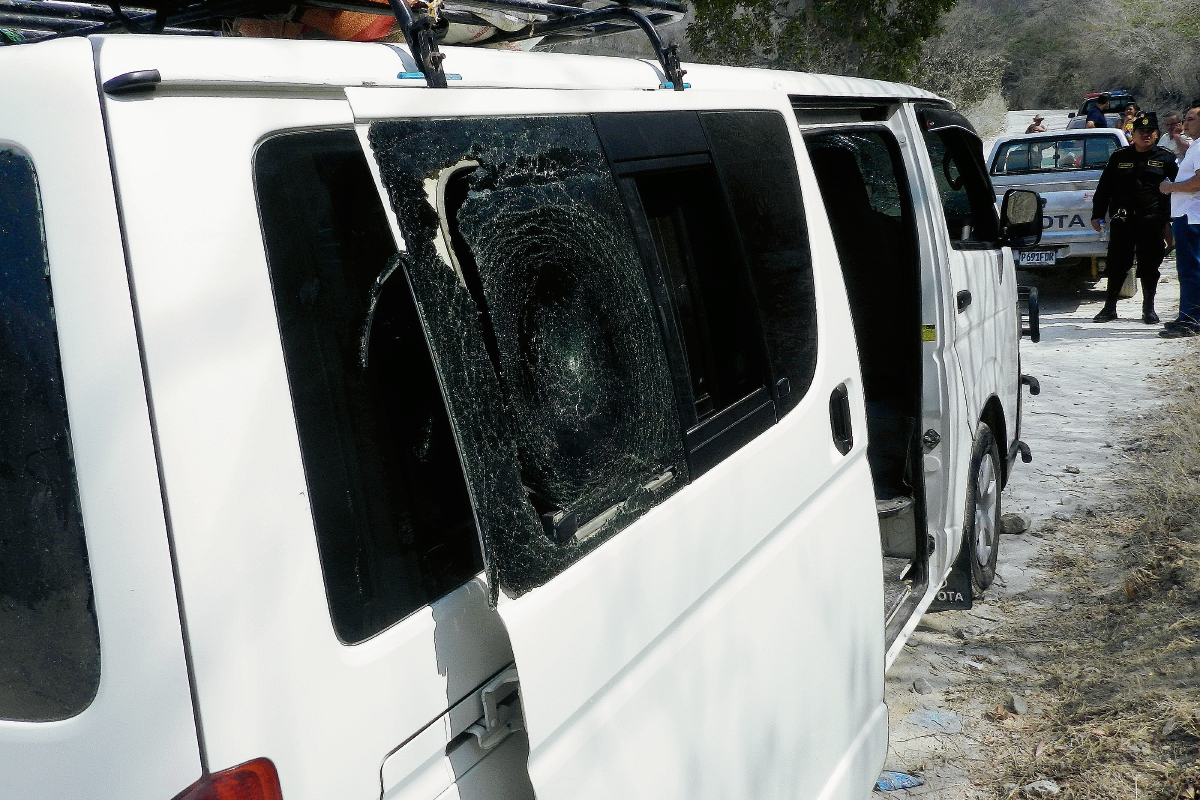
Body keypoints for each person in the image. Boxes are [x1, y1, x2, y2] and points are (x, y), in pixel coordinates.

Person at [1091, 113, 1178, 323]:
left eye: (1150, 132)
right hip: (1123, 221)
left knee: (1149, 265)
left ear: (1156, 135)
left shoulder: (1165, 157)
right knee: (1117, 264)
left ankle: (1148, 309)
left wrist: (1171, 219)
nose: (1146, 136)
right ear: (1134, 134)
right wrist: (1097, 214)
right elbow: (1104, 188)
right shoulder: (1120, 156)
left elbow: (1179, 188)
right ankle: (1109, 307)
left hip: (1151, 219)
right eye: (1142, 132)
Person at [1158, 102, 1200, 337]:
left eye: (1191, 119)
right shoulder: (1194, 146)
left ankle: (1192, 319)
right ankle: (1186, 314)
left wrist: (1170, 187)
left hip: (1192, 216)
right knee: (1186, 269)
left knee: (1191, 269)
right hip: (1186, 216)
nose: (1185, 123)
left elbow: (1198, 182)